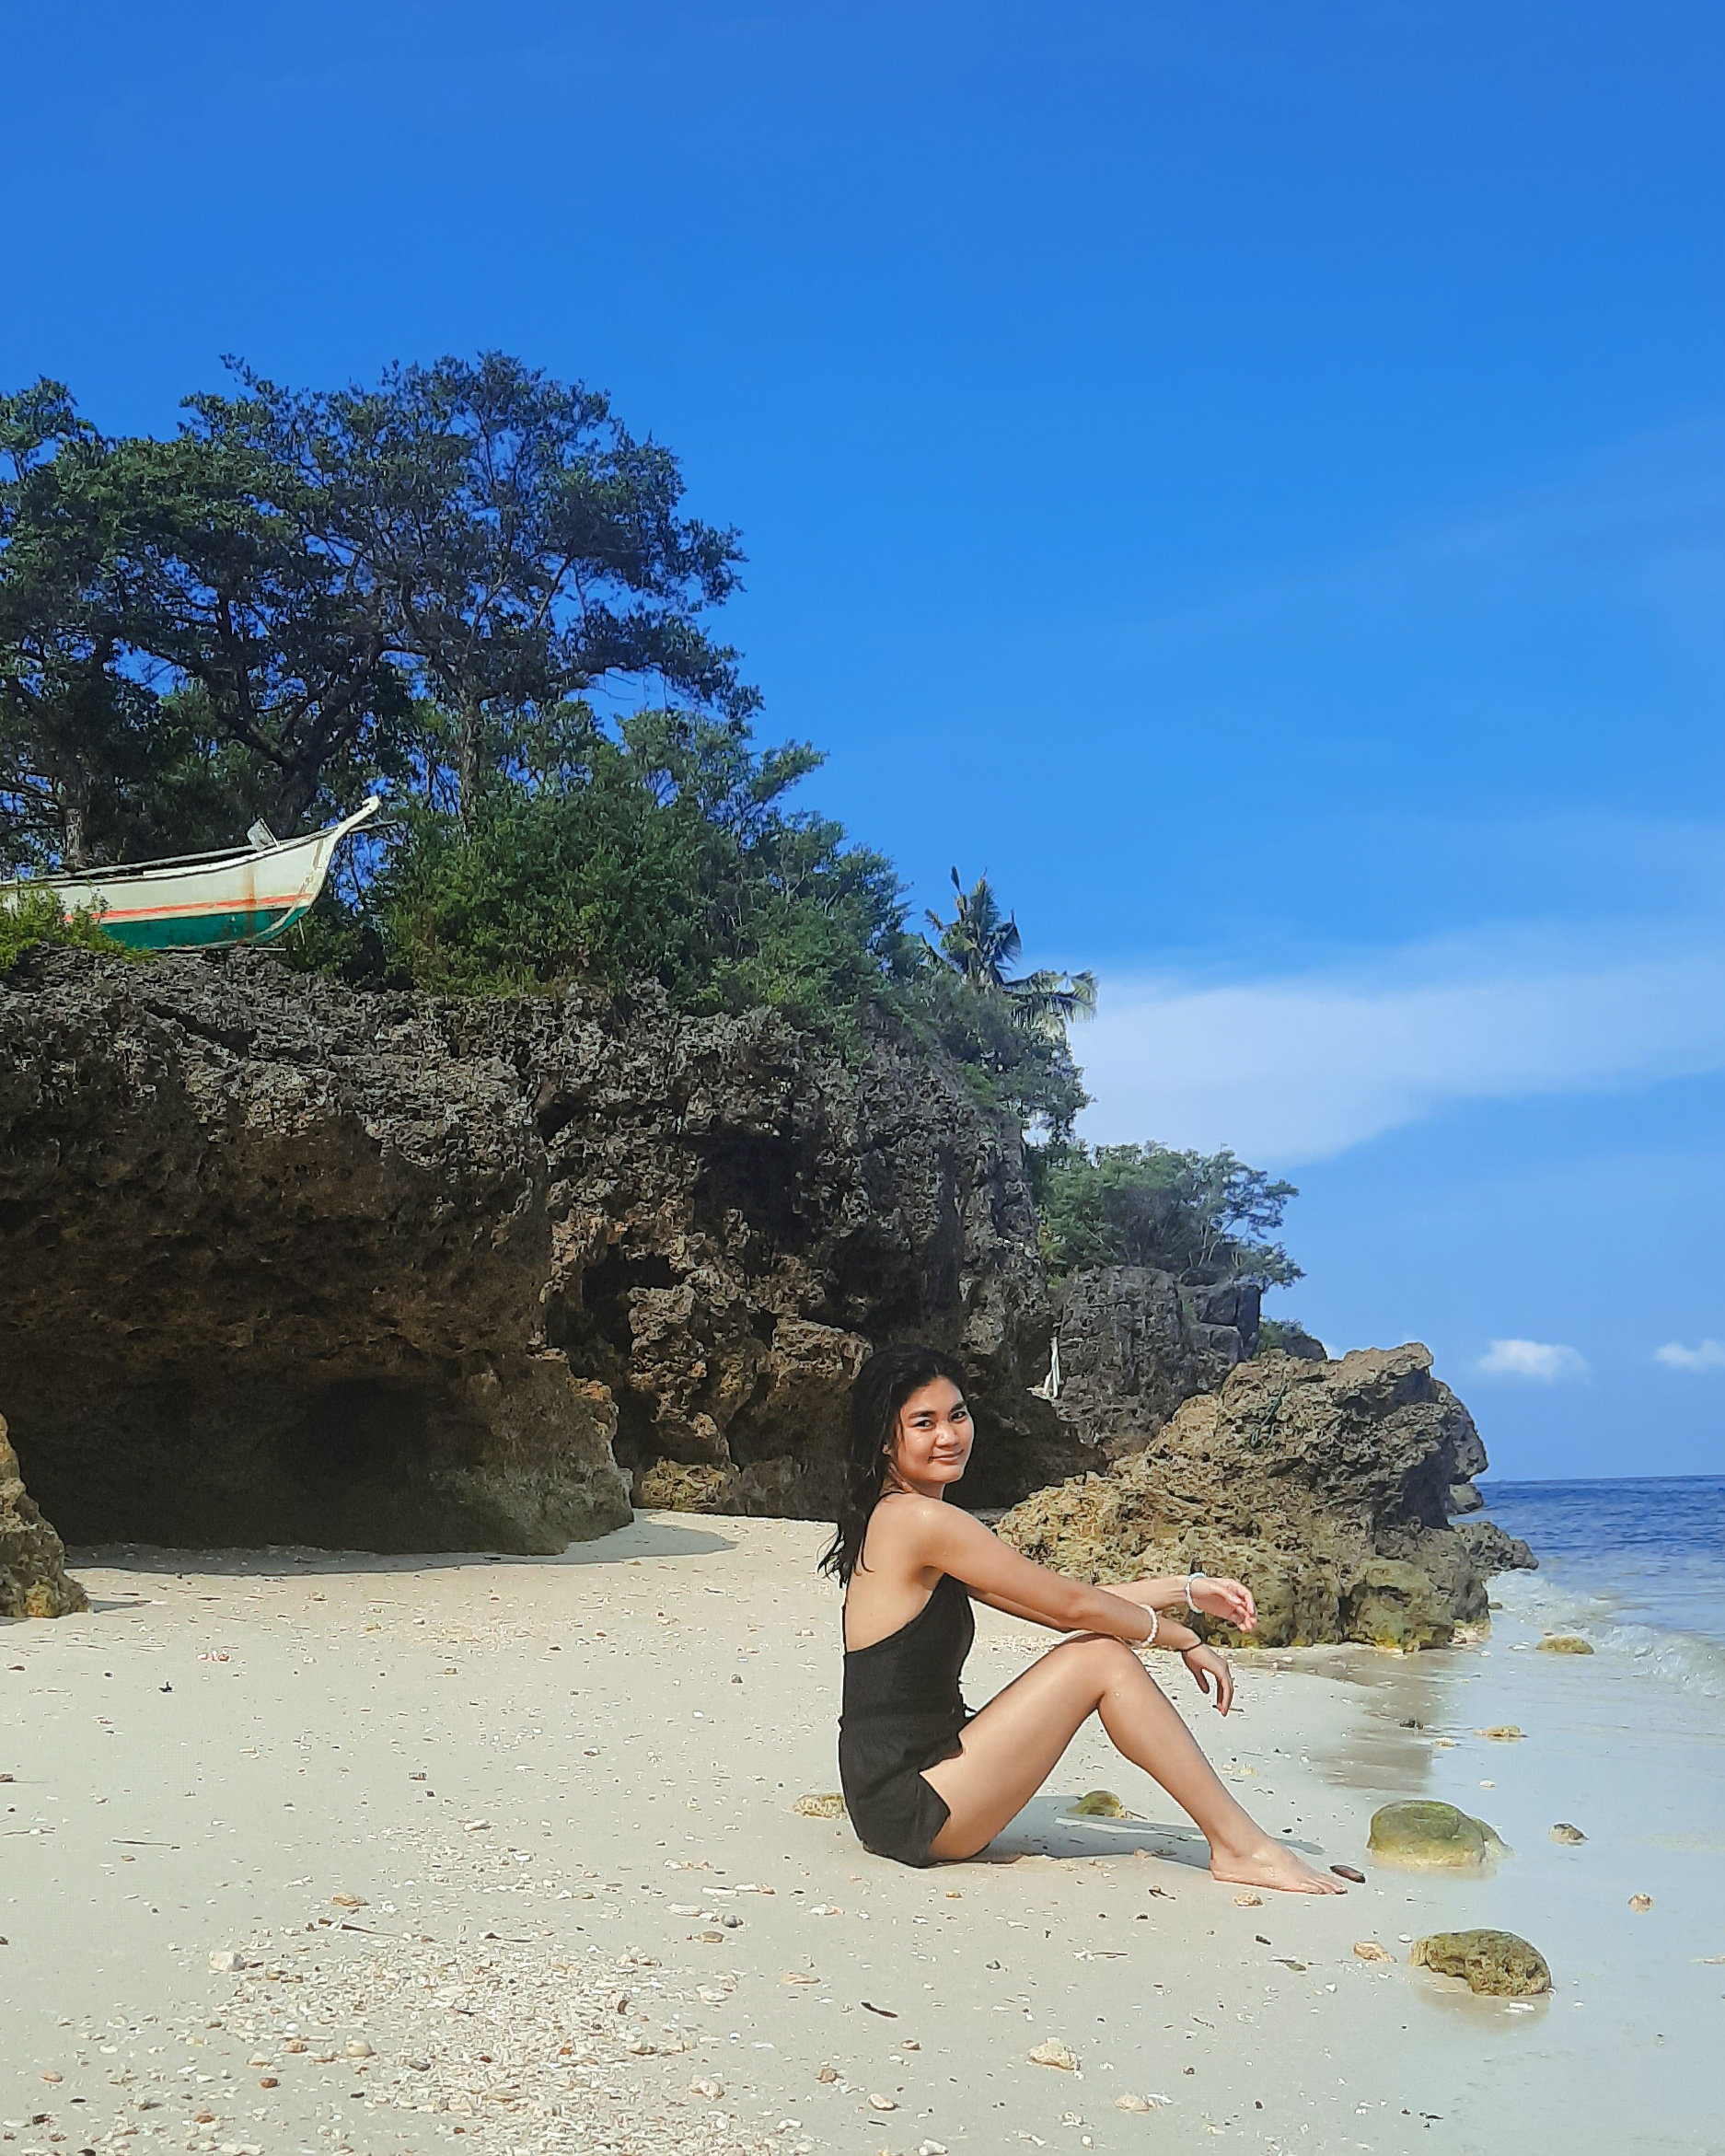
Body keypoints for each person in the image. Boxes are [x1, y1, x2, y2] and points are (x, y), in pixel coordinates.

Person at [824, 1343, 1346, 1892]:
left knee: (1098, 1648)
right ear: (886, 1439)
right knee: (1101, 1657)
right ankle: (1241, 1846)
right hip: (915, 1804)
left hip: (904, 1787)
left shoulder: (904, 1518)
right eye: (923, 1422)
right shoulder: (920, 1521)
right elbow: (1071, 1608)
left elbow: (1054, 1602)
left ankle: (1239, 1843)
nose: (949, 1436)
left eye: (957, 1415)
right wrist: (1180, 1638)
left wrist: (1185, 1592)